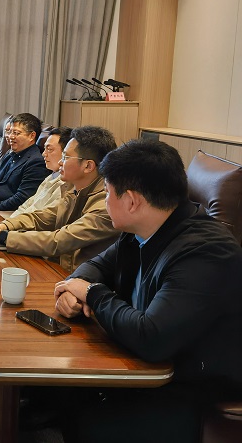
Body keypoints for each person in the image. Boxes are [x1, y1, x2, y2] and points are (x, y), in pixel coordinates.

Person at [52, 138, 242, 442]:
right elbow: (96, 266)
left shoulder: (207, 251)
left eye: (107, 193)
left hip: (191, 390)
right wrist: (72, 291)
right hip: (143, 370)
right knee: (55, 394)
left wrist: (90, 294)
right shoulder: (144, 228)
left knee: (84, 420)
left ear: (131, 201)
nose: (105, 201)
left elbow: (152, 337)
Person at [0, 126, 118, 273]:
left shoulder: (107, 205)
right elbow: (41, 217)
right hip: (57, 268)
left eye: (66, 157)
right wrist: (2, 225)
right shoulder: (73, 189)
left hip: (78, 278)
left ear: (88, 166)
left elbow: (58, 241)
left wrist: (1, 235)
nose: (60, 162)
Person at [0, 113, 49, 211]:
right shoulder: (10, 154)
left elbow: (21, 199)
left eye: (16, 133)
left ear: (32, 136)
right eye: (10, 132)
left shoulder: (36, 162)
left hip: (3, 211)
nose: (10, 136)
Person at [9, 126, 73, 217]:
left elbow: (43, 218)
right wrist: (8, 221)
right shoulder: (51, 176)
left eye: (49, 149)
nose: (44, 154)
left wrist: (9, 224)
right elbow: (26, 205)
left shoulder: (66, 184)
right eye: (44, 148)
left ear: (66, 153)